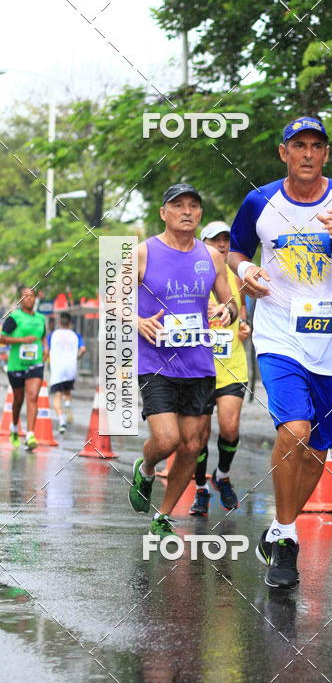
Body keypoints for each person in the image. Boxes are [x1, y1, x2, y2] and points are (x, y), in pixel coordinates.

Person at [229, 116, 332, 588]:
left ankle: (279, 528)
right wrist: (245, 274)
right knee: (295, 430)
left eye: (317, 146)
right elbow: (236, 251)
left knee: (317, 449)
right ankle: (288, 541)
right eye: (298, 145)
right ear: (283, 153)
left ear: (326, 154)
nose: (307, 153)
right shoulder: (260, 201)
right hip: (278, 335)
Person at [131, 183, 237, 539]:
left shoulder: (212, 256)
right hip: (156, 363)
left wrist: (227, 311)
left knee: (192, 445)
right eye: (178, 205)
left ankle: (163, 515)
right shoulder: (143, 252)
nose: (187, 211)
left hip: (199, 364)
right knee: (166, 440)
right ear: (164, 212)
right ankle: (146, 469)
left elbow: (231, 303)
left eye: (194, 205)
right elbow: (113, 299)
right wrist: (136, 320)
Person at [189, 221, 251, 516]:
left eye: (226, 241)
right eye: (215, 241)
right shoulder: (192, 275)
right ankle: (200, 488)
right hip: (199, 367)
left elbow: (244, 313)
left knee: (230, 427)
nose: (222, 246)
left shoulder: (238, 278)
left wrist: (245, 327)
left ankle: (222, 475)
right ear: (203, 245)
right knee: (198, 436)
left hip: (232, 366)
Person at [0, 286, 48, 451]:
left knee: (33, 396)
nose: (29, 299)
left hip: (35, 364)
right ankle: (14, 428)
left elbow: (42, 337)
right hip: (16, 365)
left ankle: (30, 435)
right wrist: (22, 339)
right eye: (25, 296)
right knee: (18, 400)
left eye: (32, 296)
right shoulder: (14, 317)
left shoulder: (41, 318)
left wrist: (46, 348)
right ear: (20, 299)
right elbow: (2, 338)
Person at [48, 312, 86, 433]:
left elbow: (46, 349)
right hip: (71, 368)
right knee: (67, 391)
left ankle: (61, 422)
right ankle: (68, 406)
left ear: (59, 322)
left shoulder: (53, 335)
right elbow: (83, 349)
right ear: (70, 322)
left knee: (57, 395)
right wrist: (77, 357)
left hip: (57, 369)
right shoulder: (76, 335)